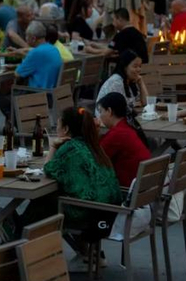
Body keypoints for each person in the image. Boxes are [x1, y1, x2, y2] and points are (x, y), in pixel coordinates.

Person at [21, 107, 120, 257]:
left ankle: (17, 247)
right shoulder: (93, 145)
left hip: (88, 214)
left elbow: (49, 169)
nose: (57, 129)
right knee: (45, 202)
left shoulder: (70, 148)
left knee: (40, 203)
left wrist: (53, 146)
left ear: (66, 129)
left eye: (58, 125)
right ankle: (88, 254)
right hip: (107, 212)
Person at [97, 92, 151, 187]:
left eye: (101, 111)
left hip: (128, 189)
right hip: (144, 185)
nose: (99, 116)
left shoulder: (117, 133)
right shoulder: (128, 126)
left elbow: (94, 158)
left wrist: (91, 132)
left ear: (109, 111)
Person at [95, 50, 148, 117]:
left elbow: (146, 103)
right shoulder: (116, 82)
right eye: (135, 66)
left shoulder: (130, 80)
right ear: (125, 67)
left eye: (140, 66)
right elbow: (115, 111)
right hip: (107, 120)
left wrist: (141, 83)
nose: (138, 70)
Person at [15, 21, 63, 89]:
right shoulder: (53, 49)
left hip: (39, 92)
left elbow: (17, 74)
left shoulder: (35, 52)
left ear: (33, 38)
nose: (26, 39)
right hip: (53, 91)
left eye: (27, 36)